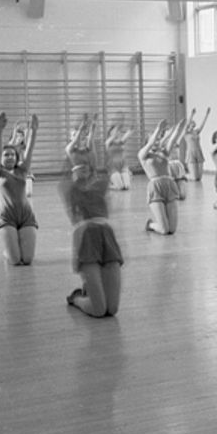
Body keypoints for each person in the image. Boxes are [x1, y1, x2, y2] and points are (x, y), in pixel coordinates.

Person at [60, 156, 123, 318]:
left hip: (106, 238)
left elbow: (108, 162)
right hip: (85, 238)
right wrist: (75, 256)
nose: (83, 168)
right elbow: (68, 173)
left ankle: (90, 289)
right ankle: (76, 299)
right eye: (78, 166)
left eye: (85, 165)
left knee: (112, 309)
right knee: (99, 310)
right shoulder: (70, 189)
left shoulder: (100, 185)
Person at [0, 112, 39, 265]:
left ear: (17, 157)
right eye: (6, 155)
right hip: (6, 217)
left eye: (12, 155)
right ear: (2, 158)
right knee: (16, 261)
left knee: (28, 260)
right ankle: (8, 250)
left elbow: (30, 150)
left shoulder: (22, 170)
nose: (10, 157)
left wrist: (34, 131)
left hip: (25, 216)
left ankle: (16, 242)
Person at [138, 119, 181, 235]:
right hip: (155, 188)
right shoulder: (143, 154)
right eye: (154, 139)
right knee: (164, 230)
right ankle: (150, 224)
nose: (157, 141)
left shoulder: (164, 152)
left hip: (169, 186)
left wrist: (178, 128)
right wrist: (158, 129)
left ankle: (161, 222)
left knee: (172, 230)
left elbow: (172, 140)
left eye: (158, 140)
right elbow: (151, 143)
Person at [66, 113, 98, 181]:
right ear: (71, 138)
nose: (79, 136)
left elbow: (90, 137)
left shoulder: (87, 148)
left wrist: (93, 124)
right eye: (74, 135)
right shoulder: (69, 149)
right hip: (78, 176)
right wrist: (81, 128)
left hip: (88, 174)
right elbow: (75, 140)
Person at [163, 118, 188, 200]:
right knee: (173, 196)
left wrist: (181, 125)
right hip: (169, 167)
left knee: (182, 196)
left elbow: (182, 132)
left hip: (178, 166)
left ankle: (175, 190)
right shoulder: (162, 143)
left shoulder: (175, 141)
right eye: (167, 130)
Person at [105, 120, 134, 190]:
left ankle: (126, 177)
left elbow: (128, 134)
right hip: (113, 166)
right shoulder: (108, 142)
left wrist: (131, 129)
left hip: (123, 165)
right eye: (115, 131)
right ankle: (109, 185)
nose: (117, 133)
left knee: (127, 187)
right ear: (110, 133)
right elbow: (112, 137)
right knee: (120, 187)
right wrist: (117, 128)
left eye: (117, 131)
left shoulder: (121, 141)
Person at [183, 107, 210, 181]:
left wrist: (206, 115)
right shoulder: (186, 133)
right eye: (191, 124)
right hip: (190, 153)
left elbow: (202, 125)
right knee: (194, 178)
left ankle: (190, 175)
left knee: (199, 178)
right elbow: (186, 125)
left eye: (193, 125)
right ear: (189, 125)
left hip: (198, 152)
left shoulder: (196, 131)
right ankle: (184, 176)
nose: (193, 126)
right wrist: (192, 114)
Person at [11, 120, 35, 197]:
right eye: (17, 136)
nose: (19, 138)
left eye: (21, 136)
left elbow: (28, 137)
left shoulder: (24, 146)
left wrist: (28, 127)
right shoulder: (12, 146)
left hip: (25, 172)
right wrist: (15, 129)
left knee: (29, 194)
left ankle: (27, 181)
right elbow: (13, 141)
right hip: (15, 172)